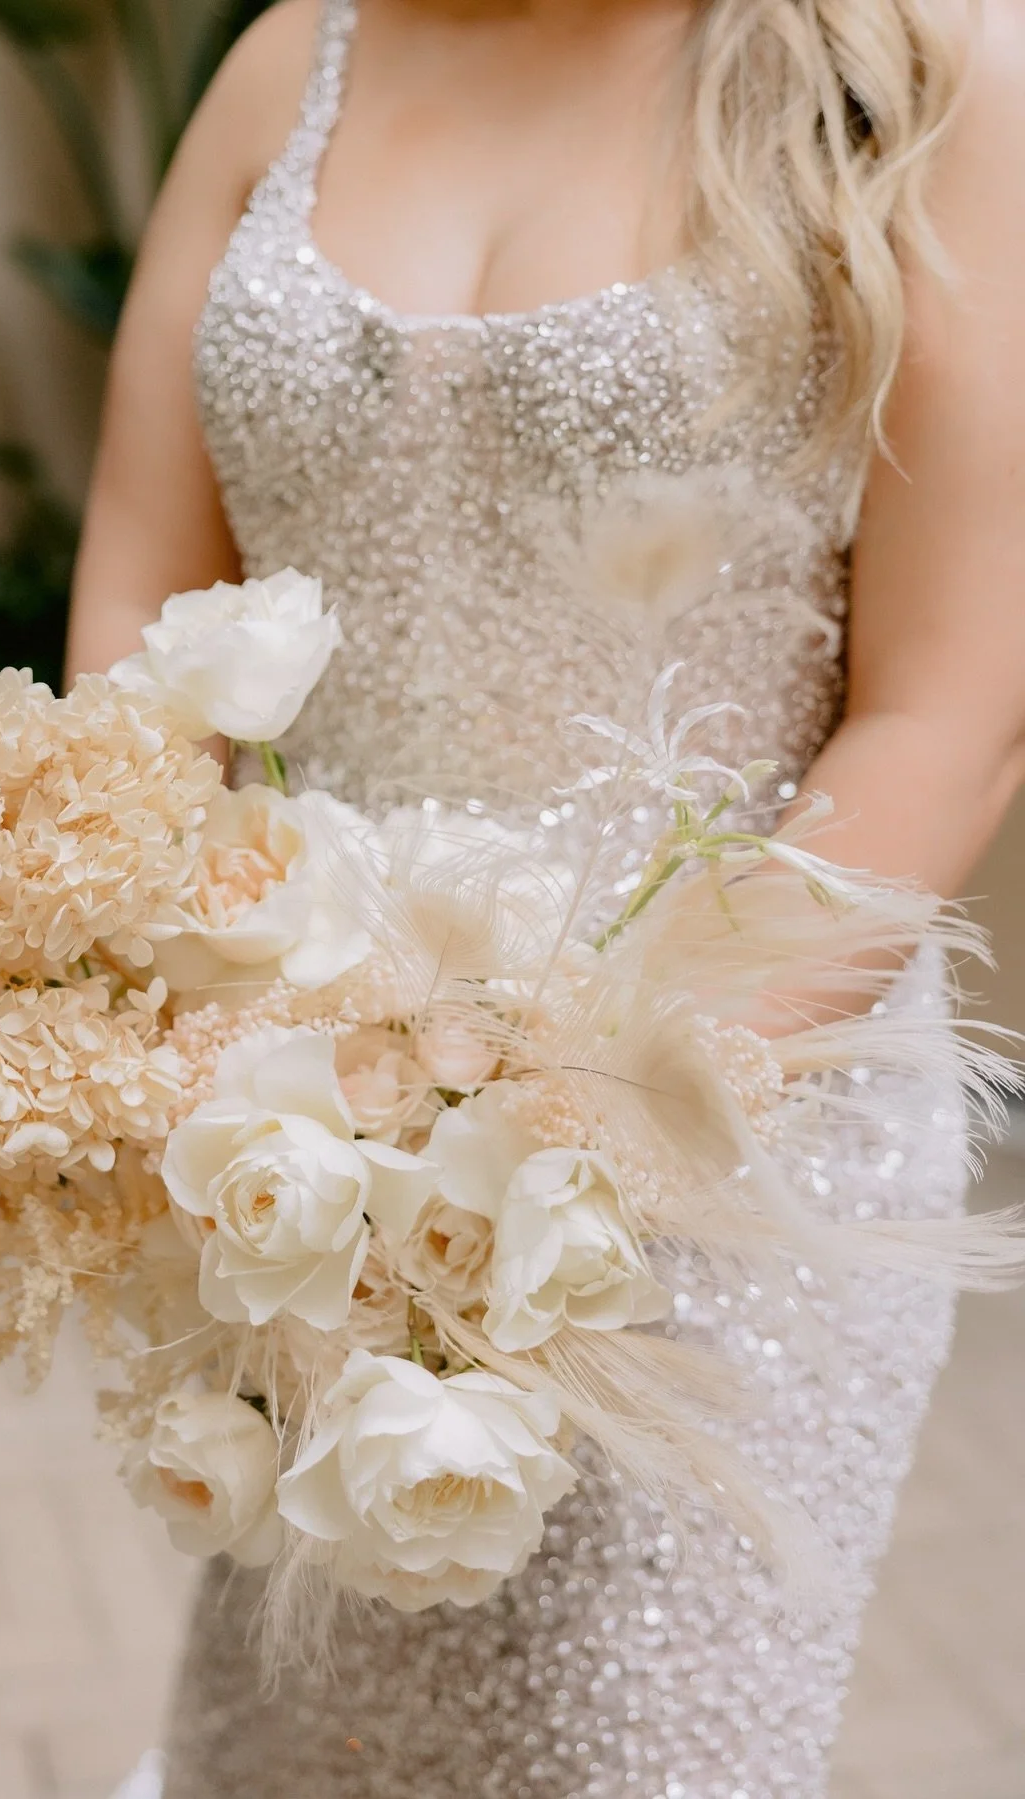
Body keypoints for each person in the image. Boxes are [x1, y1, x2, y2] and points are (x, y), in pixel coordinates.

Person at [65, 0, 1025, 1791]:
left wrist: (575, 1124)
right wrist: (189, 1016)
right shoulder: (294, 59)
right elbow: (140, 610)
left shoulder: (912, 73)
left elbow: (948, 710)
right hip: (314, 1131)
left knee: (620, 1742)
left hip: (732, 1116)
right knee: (295, 1732)